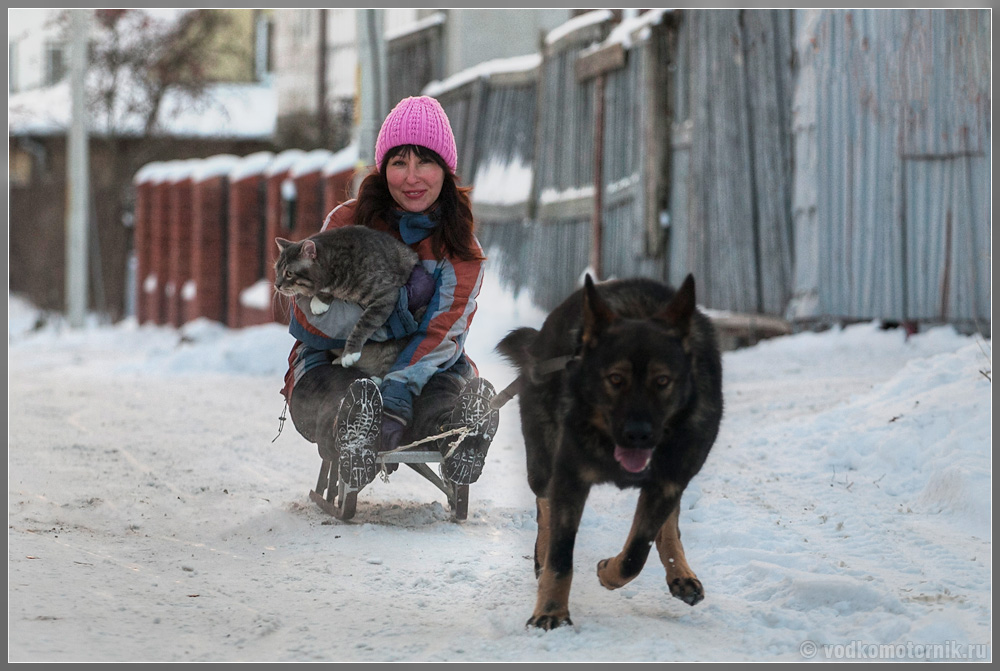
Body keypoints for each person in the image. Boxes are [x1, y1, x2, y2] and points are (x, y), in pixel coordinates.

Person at [280, 95, 498, 492]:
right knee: (346, 397)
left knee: (440, 394)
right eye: (399, 163)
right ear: (384, 171)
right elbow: (309, 314)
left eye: (425, 162)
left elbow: (441, 334)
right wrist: (388, 321)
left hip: (426, 364)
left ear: (445, 170)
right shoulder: (346, 223)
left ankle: (462, 434)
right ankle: (352, 437)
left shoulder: (460, 246)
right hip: (335, 364)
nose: (412, 177)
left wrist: (398, 385)